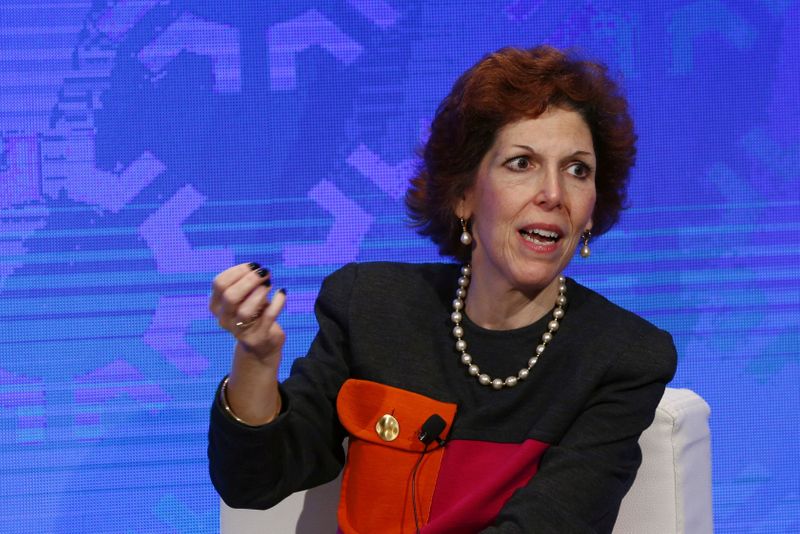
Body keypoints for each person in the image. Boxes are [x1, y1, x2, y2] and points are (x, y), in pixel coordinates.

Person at [208, 45, 677, 533]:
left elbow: (550, 523)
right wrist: (257, 363)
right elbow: (255, 483)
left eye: (578, 169)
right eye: (522, 163)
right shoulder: (371, 307)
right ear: (463, 195)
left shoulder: (623, 357)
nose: (554, 194)